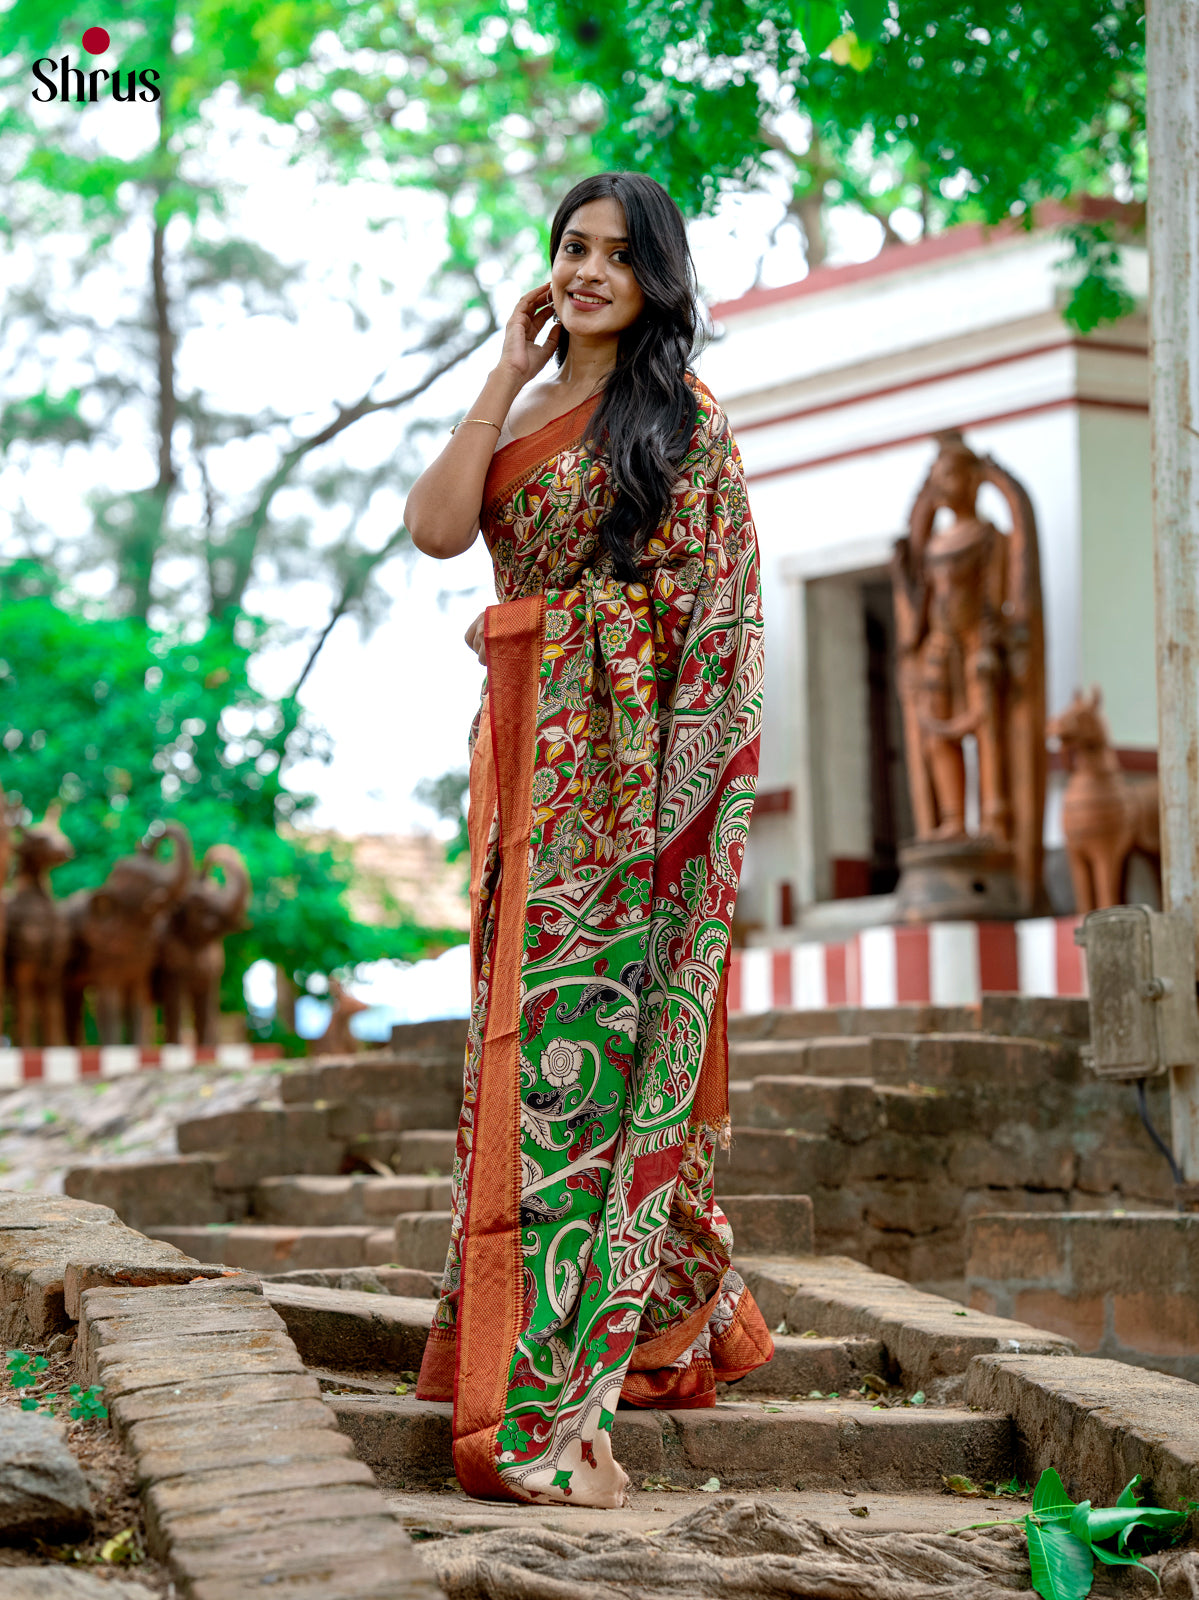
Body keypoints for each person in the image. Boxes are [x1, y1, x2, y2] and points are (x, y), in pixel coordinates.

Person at [404, 171, 771, 1509]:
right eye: (572, 246)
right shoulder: (531, 405)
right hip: (517, 780)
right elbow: (442, 530)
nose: (589, 268)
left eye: (619, 253)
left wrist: (682, 824)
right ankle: (591, 1312)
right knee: (514, 1061)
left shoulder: (682, 425)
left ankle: (556, 1382)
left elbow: (719, 634)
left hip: (621, 804)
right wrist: (503, 375)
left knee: (577, 1073)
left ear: (657, 278)